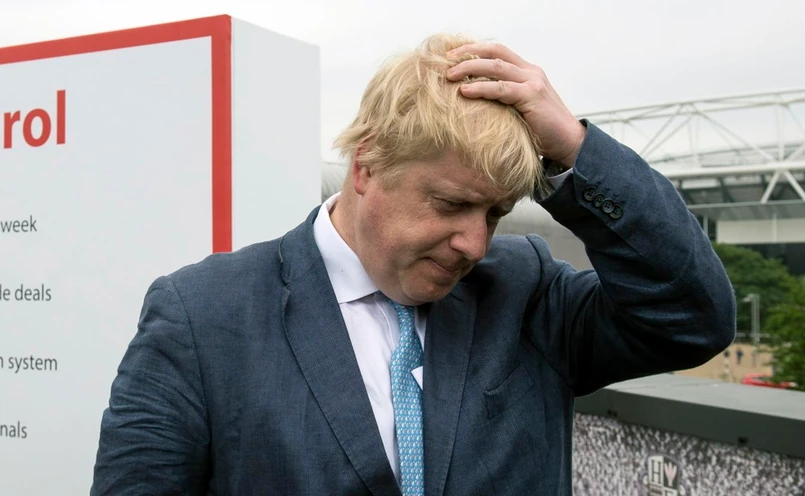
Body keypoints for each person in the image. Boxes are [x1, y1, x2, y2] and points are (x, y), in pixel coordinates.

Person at [90, 34, 736, 495]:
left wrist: (576, 148)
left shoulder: (526, 292)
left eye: (494, 213)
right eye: (451, 204)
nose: (474, 245)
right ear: (366, 165)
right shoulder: (205, 316)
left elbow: (690, 320)